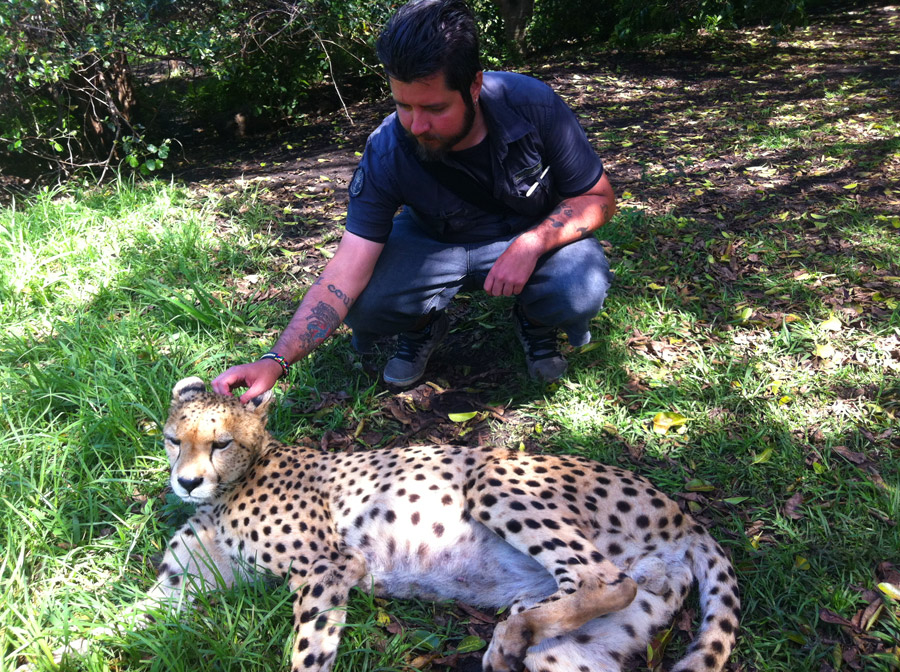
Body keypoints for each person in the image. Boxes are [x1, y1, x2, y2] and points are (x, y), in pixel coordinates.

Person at [212, 0, 616, 403]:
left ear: (473, 86)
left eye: (435, 107)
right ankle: (423, 325)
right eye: (403, 105)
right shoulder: (387, 148)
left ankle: (534, 321)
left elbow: (599, 196)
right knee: (366, 305)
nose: (417, 125)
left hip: (524, 230)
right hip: (434, 241)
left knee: (579, 288)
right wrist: (275, 359)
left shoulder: (532, 105)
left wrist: (534, 243)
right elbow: (345, 271)